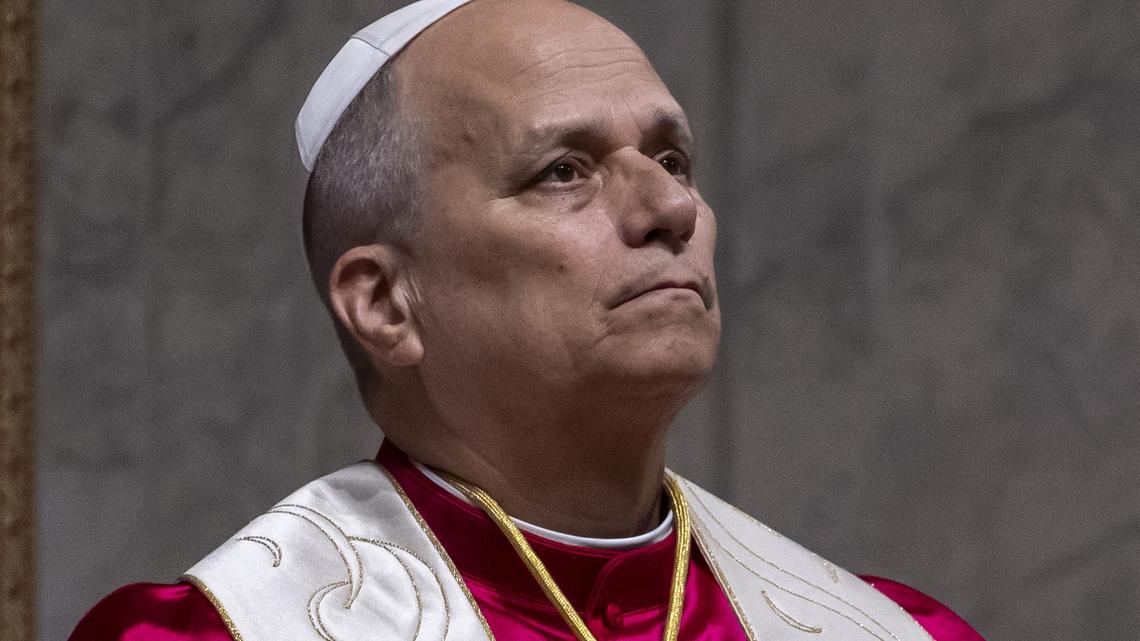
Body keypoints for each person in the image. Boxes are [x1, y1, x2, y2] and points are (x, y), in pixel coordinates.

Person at [70, 1, 985, 640]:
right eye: (564, 171)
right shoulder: (208, 635)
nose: (669, 207)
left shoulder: (899, 631)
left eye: (672, 156)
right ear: (387, 303)